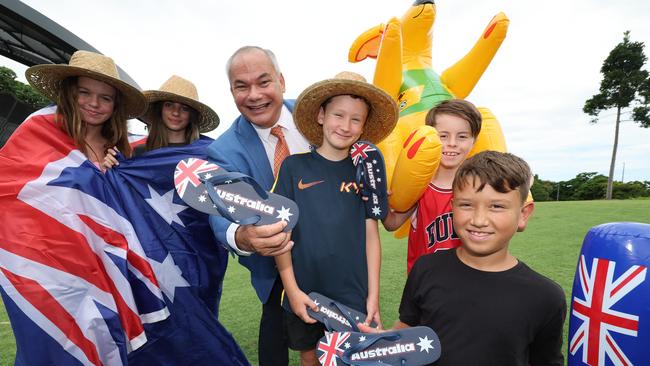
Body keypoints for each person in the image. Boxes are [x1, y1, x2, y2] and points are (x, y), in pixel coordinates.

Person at [362, 151, 566, 366]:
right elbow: (407, 327)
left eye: (496, 206)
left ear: (523, 214)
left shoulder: (545, 297)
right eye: (466, 205)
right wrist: (381, 346)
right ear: (452, 207)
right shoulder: (426, 268)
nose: (478, 220)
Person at [272, 71, 398, 366]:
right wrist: (292, 291)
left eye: (356, 119)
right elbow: (280, 234)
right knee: (310, 357)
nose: (345, 126)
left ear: (364, 125)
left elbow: (371, 236)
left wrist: (373, 297)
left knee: (354, 358)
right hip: (305, 292)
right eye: (338, 115)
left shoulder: (366, 172)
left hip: (353, 294)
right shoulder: (293, 167)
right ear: (320, 115)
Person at [207, 46, 311, 366]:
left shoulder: (319, 117)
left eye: (263, 82)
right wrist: (243, 237)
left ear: (281, 81)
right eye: (242, 86)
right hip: (276, 270)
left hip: (340, 261)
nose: (254, 95)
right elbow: (221, 213)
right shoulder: (223, 150)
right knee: (275, 341)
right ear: (231, 91)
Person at [382, 99, 482, 272]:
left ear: (474, 140)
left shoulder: (481, 186)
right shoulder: (419, 184)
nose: (452, 143)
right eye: (443, 136)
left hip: (470, 284)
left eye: (462, 136)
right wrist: (378, 197)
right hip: (426, 287)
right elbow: (391, 224)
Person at [25, 50, 146, 167]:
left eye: (106, 98)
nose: (94, 103)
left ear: (115, 105)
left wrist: (113, 175)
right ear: (69, 93)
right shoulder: (40, 131)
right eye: (84, 92)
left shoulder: (124, 151)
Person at [102, 75, 219, 168]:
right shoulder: (139, 152)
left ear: (192, 115)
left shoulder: (207, 153)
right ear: (160, 110)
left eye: (184, 108)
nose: (176, 113)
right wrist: (113, 168)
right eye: (169, 105)